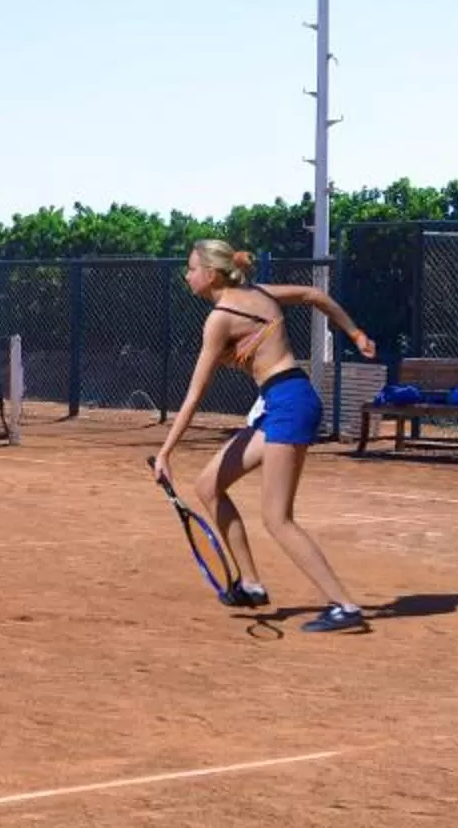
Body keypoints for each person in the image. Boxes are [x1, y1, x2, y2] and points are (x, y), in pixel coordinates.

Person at [153, 239, 377, 633]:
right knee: (208, 486)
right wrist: (355, 333)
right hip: (282, 402)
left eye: (191, 269)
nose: (187, 276)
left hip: (289, 404)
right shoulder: (257, 293)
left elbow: (194, 394)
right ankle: (252, 584)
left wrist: (165, 453)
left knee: (278, 518)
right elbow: (314, 295)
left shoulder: (219, 318)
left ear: (211, 274)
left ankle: (344, 605)